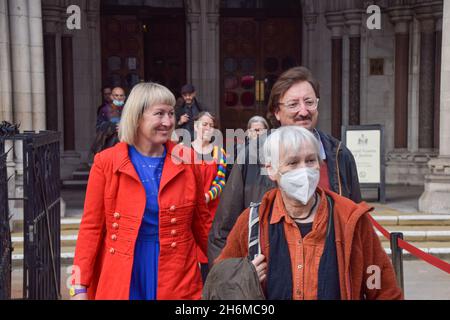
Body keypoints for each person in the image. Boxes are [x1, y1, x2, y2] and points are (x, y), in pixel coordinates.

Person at [216, 126, 403, 300]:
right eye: (293, 162)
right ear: (271, 170)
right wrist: (244, 277)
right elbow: (220, 280)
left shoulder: (349, 219)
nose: (304, 170)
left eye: (310, 160)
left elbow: (382, 288)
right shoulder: (254, 220)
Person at [70, 82, 211, 300]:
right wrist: (79, 286)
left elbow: (203, 225)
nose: (168, 122)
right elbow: (91, 228)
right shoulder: (106, 162)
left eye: (171, 113)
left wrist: (229, 265)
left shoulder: (188, 159)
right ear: (137, 117)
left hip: (177, 273)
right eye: (159, 114)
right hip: (124, 273)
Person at [208, 66, 362, 265]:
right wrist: (238, 280)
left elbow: (358, 224)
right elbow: (222, 232)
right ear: (276, 112)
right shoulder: (253, 156)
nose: (303, 111)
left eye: (309, 102)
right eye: (293, 104)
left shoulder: (340, 155)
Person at [191, 111, 227, 283]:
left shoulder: (219, 152)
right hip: (190, 211)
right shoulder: (183, 151)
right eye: (204, 124)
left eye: (211, 125)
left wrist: (206, 197)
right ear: (195, 126)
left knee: (209, 252)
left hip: (212, 211)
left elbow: (221, 181)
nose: (208, 128)